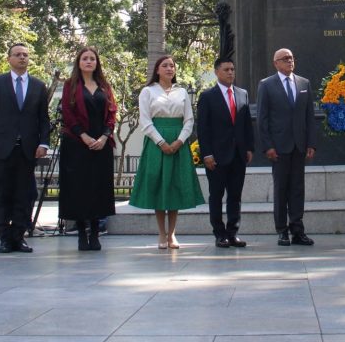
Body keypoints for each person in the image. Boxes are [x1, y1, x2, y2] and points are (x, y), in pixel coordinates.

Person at [0, 43, 51, 253]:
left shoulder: (38, 86)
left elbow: (43, 119)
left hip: (27, 149)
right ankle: (4, 237)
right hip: (1, 147)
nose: (22, 58)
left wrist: (43, 142)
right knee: (1, 192)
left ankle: (19, 235)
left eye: (25, 55)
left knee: (24, 193)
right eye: (17, 55)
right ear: (9, 58)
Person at [129, 54, 204, 249]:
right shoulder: (148, 92)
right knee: (159, 184)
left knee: (175, 185)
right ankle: (161, 233)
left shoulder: (182, 92)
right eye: (165, 65)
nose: (170, 69)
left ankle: (172, 234)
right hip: (156, 143)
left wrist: (180, 140)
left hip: (179, 140)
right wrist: (161, 142)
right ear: (157, 69)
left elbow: (189, 119)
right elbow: (145, 121)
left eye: (172, 66)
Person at [59, 46, 117, 252]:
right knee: (79, 189)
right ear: (79, 62)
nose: (89, 61)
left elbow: (112, 114)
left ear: (97, 63)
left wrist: (103, 137)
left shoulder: (104, 86)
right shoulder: (70, 85)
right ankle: (82, 232)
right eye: (85, 58)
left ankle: (95, 232)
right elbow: (67, 112)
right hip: (77, 144)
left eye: (92, 58)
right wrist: (83, 136)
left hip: (101, 145)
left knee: (98, 189)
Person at [257, 47, 317, 246]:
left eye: (291, 58)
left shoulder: (304, 83)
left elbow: (309, 116)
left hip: (299, 145)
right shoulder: (266, 85)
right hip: (279, 147)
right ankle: (282, 230)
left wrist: (311, 143)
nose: (290, 61)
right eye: (285, 59)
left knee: (298, 189)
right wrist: (268, 146)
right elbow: (262, 119)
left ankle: (297, 229)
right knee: (281, 189)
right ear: (276, 63)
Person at [197, 56, 254, 248]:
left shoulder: (242, 94)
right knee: (216, 195)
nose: (230, 72)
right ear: (216, 72)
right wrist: (207, 154)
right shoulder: (207, 96)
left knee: (235, 196)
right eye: (226, 69)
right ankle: (219, 234)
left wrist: (249, 148)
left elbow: (246, 123)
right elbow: (203, 128)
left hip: (238, 155)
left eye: (232, 69)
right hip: (217, 156)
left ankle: (233, 232)